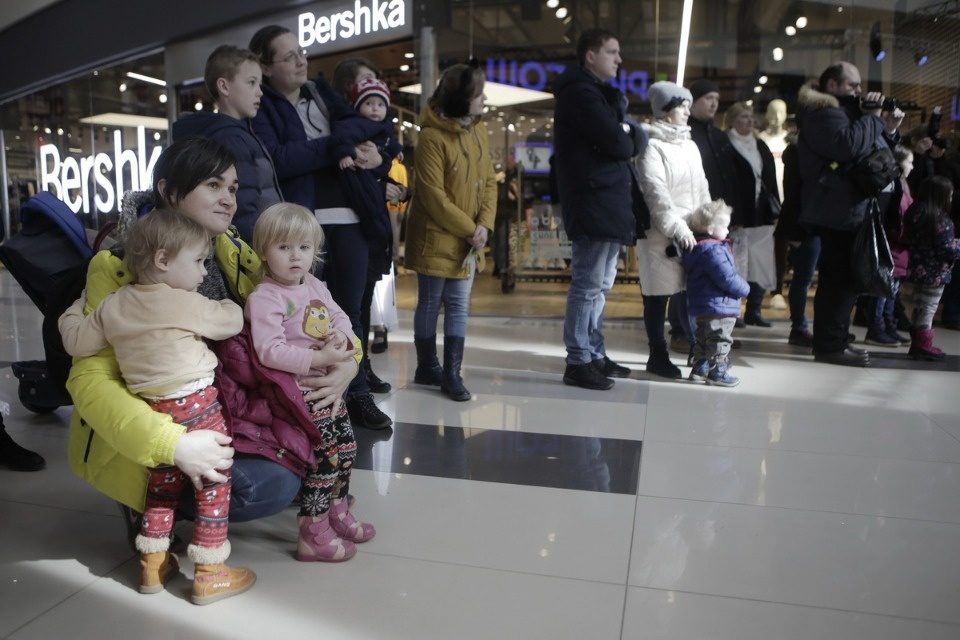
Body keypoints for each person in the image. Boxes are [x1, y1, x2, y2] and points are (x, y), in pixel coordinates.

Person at [63, 137, 354, 556]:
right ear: (169, 192)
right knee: (265, 485)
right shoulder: (121, 265)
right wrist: (172, 445)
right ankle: (150, 500)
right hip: (163, 419)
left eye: (233, 189)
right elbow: (91, 381)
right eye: (213, 186)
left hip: (227, 405)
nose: (228, 200)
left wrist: (347, 363)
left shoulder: (230, 249)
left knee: (322, 435)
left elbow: (308, 307)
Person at [58, 210, 255, 604]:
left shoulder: (113, 304)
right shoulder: (183, 302)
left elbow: (76, 342)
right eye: (199, 262)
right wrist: (230, 306)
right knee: (213, 484)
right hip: (199, 406)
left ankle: (152, 562)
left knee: (161, 487)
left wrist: (75, 308)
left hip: (153, 412)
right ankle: (211, 571)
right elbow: (229, 321)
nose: (203, 273)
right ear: (163, 261)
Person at [249, 26, 392, 429]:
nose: (300, 61)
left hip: (351, 215)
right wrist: (335, 147)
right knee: (302, 316)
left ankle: (356, 393)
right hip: (301, 222)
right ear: (265, 66)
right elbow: (279, 158)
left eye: (302, 52)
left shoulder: (319, 93)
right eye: (289, 56)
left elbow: (363, 126)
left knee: (349, 312)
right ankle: (311, 396)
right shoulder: (265, 107)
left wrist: (373, 155)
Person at [245, 202, 374, 561]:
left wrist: (343, 342)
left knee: (347, 451)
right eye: (283, 247)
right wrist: (320, 358)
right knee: (324, 460)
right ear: (264, 253)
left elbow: (341, 318)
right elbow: (269, 351)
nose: (295, 256)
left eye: (303, 247)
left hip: (326, 387)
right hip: (300, 395)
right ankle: (312, 530)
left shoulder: (314, 284)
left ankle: (337, 512)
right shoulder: (265, 297)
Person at [553, 28, 647, 391]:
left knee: (600, 285)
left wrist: (627, 132)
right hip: (593, 200)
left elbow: (631, 137)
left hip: (605, 200)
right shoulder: (581, 94)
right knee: (588, 284)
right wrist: (626, 132)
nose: (619, 59)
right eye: (612, 51)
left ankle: (593, 352)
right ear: (590, 56)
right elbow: (622, 144)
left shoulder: (596, 95)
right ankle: (578, 360)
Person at [796, 61, 904, 367]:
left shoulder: (847, 114)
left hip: (853, 210)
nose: (860, 91)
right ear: (832, 85)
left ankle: (837, 340)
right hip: (837, 211)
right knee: (838, 281)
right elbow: (846, 147)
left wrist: (889, 129)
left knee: (848, 281)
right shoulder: (822, 113)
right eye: (853, 86)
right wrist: (872, 117)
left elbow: (871, 150)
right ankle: (830, 346)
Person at [405, 62, 497, 401]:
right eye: (478, 93)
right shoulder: (431, 137)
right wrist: (472, 228)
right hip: (436, 236)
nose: (484, 99)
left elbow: (489, 180)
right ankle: (427, 366)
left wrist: (484, 224)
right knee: (431, 302)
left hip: (469, 238)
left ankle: (452, 373)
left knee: (459, 304)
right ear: (461, 98)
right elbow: (433, 197)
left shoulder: (477, 129)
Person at [636, 81, 710, 380]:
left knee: (690, 294)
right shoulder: (650, 147)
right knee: (658, 296)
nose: (687, 112)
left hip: (692, 231)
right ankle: (657, 353)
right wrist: (678, 228)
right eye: (682, 106)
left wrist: (711, 221)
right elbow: (656, 194)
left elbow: (702, 188)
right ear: (665, 111)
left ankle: (697, 348)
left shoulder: (690, 145)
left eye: (688, 106)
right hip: (660, 234)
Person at [172, 45, 281, 244]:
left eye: (259, 84)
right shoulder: (230, 138)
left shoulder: (237, 133)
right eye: (251, 83)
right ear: (224, 86)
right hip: (254, 251)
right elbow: (242, 211)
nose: (260, 92)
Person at [683, 199, 750, 387]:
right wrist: (745, 289)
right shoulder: (713, 250)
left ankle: (700, 368)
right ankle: (717, 371)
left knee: (704, 337)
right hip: (720, 304)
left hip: (705, 305)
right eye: (725, 227)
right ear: (711, 229)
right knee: (720, 339)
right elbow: (727, 277)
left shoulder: (699, 247)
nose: (728, 231)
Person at [724, 101, 780, 327]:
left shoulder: (760, 145)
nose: (749, 121)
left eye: (750, 116)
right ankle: (734, 310)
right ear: (732, 120)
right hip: (738, 214)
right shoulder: (726, 144)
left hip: (761, 212)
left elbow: (770, 178)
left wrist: (775, 207)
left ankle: (754, 309)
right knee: (738, 264)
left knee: (761, 262)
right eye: (744, 117)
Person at [902, 176, 959, 360]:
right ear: (940, 195)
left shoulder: (915, 212)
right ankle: (923, 345)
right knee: (929, 307)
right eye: (949, 195)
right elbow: (947, 250)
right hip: (935, 274)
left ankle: (917, 343)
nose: (950, 199)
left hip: (916, 268)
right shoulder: (941, 219)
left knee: (919, 306)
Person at [865, 145, 914, 347]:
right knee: (884, 290)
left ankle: (888, 326)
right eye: (910, 161)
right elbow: (895, 216)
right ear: (899, 163)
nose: (912, 166)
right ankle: (876, 328)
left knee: (892, 291)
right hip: (893, 245)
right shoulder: (893, 185)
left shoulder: (902, 184)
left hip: (899, 246)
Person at [776, 133, 819, 348]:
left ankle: (812, 327)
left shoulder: (810, 151)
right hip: (803, 226)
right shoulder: (796, 153)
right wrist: (795, 232)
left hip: (817, 224)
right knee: (802, 279)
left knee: (806, 280)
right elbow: (794, 195)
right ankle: (799, 328)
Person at [759, 99, 790, 311]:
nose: (776, 117)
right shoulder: (759, 140)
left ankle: (777, 290)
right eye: (772, 112)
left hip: (787, 200)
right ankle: (758, 291)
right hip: (765, 201)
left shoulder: (790, 140)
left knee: (782, 248)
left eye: (780, 112)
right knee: (762, 247)